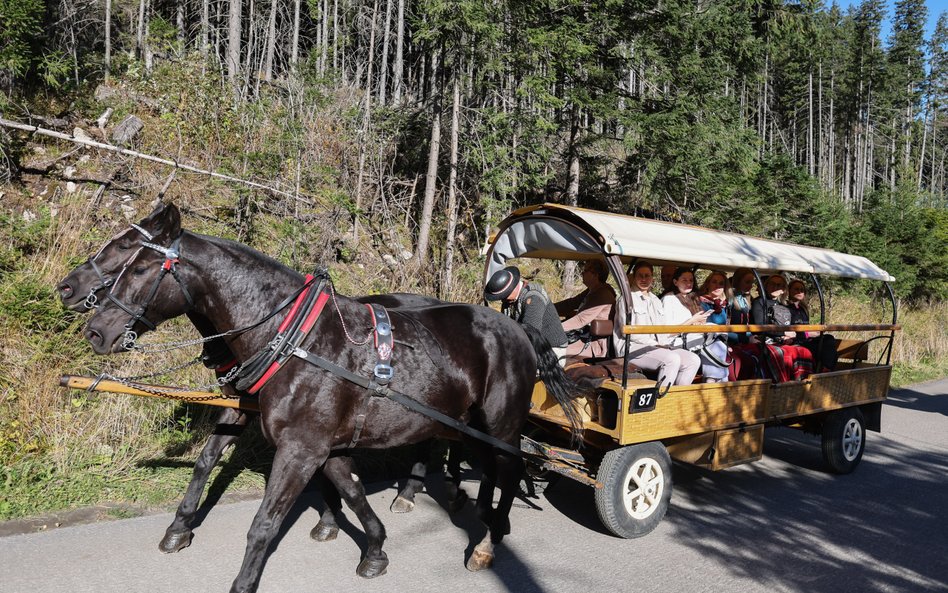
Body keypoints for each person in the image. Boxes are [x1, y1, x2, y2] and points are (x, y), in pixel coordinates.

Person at [613, 262, 701, 388]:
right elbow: (629, 333)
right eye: (640, 276)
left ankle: (677, 398)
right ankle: (661, 401)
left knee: (693, 360)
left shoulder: (655, 300)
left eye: (647, 276)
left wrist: (664, 343)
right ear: (634, 277)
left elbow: (662, 329)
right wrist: (656, 344)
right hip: (632, 348)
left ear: (652, 278)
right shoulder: (626, 300)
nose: (644, 279)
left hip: (657, 346)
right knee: (672, 359)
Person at [484, 266, 568, 352]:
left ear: (512, 288)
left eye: (504, 295)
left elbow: (531, 333)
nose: (502, 299)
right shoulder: (508, 301)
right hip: (530, 345)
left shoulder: (534, 297)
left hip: (551, 348)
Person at [751, 273, 814, 381]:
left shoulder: (784, 304)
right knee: (783, 355)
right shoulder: (759, 302)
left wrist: (789, 337)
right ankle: (782, 384)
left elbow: (788, 324)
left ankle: (802, 382)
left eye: (779, 285)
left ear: (783, 289)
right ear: (766, 286)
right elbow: (760, 325)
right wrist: (783, 333)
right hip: (765, 339)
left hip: (783, 340)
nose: (775, 287)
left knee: (804, 352)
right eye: (772, 284)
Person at [555, 259, 616, 358]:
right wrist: (547, 308)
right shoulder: (592, 290)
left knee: (550, 349)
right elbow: (571, 303)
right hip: (581, 336)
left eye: (585, 271)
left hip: (593, 344)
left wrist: (552, 329)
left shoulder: (602, 294)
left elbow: (580, 320)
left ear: (595, 275)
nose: (582, 273)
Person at [787, 279, 837, 371]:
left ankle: (826, 368)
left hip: (806, 340)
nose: (799, 292)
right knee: (823, 346)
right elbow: (790, 330)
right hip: (797, 341)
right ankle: (824, 369)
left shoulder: (803, 309)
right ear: (789, 291)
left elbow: (806, 326)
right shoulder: (786, 309)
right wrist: (809, 334)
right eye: (796, 289)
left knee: (829, 339)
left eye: (802, 290)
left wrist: (815, 331)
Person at [660, 267, 711, 351]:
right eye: (684, 280)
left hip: (692, 338)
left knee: (716, 330)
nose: (688, 283)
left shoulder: (693, 298)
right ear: (675, 282)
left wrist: (700, 322)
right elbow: (668, 332)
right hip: (674, 343)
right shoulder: (668, 299)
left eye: (691, 280)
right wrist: (692, 320)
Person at [695, 271, 731, 382]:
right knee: (719, 348)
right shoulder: (701, 302)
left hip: (721, 340)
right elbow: (708, 327)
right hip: (704, 341)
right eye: (714, 282)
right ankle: (710, 382)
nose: (717, 286)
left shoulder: (725, 304)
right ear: (708, 284)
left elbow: (727, 327)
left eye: (721, 283)